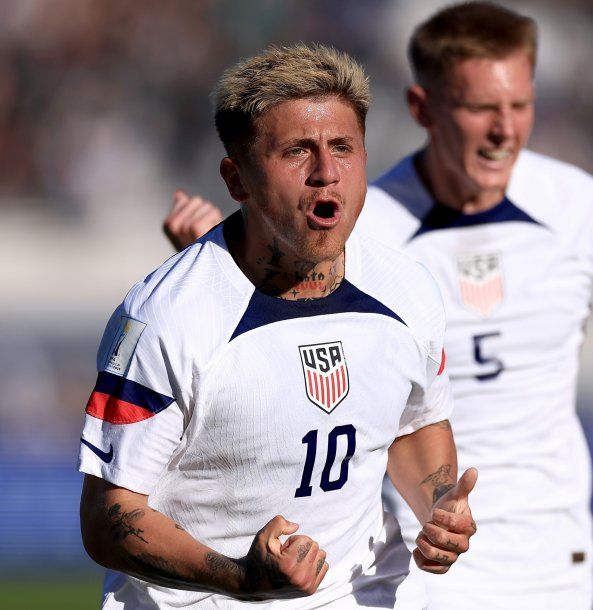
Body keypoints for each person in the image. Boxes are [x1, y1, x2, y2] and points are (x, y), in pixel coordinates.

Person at [161, 4, 593, 609]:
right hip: (421, 562)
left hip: (559, 556)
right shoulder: (362, 229)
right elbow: (283, 333)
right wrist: (216, 259)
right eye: (479, 108)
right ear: (423, 109)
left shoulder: (577, 207)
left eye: (520, 105)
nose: (504, 130)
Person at [78, 43, 478, 610]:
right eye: (297, 152)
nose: (326, 173)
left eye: (343, 147)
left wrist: (438, 507)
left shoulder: (407, 289)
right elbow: (108, 516)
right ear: (236, 178)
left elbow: (415, 425)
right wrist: (242, 578)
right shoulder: (165, 318)